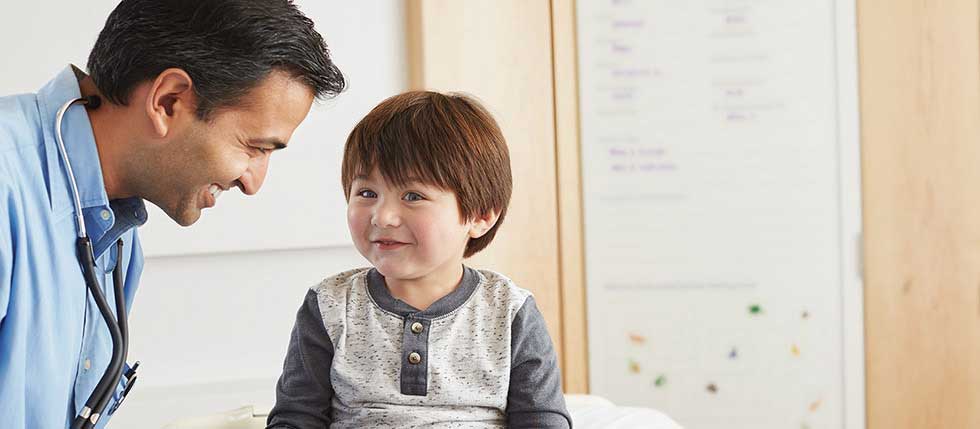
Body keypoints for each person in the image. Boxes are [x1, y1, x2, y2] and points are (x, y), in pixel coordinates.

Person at [0, 1, 344, 427]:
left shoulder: (115, 233)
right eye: (255, 146)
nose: (254, 182)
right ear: (167, 101)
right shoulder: (6, 185)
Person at [266, 91, 572, 428]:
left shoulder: (510, 312)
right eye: (367, 193)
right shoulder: (330, 305)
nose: (383, 216)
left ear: (481, 215)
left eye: (413, 196)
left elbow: (542, 420)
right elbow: (296, 418)